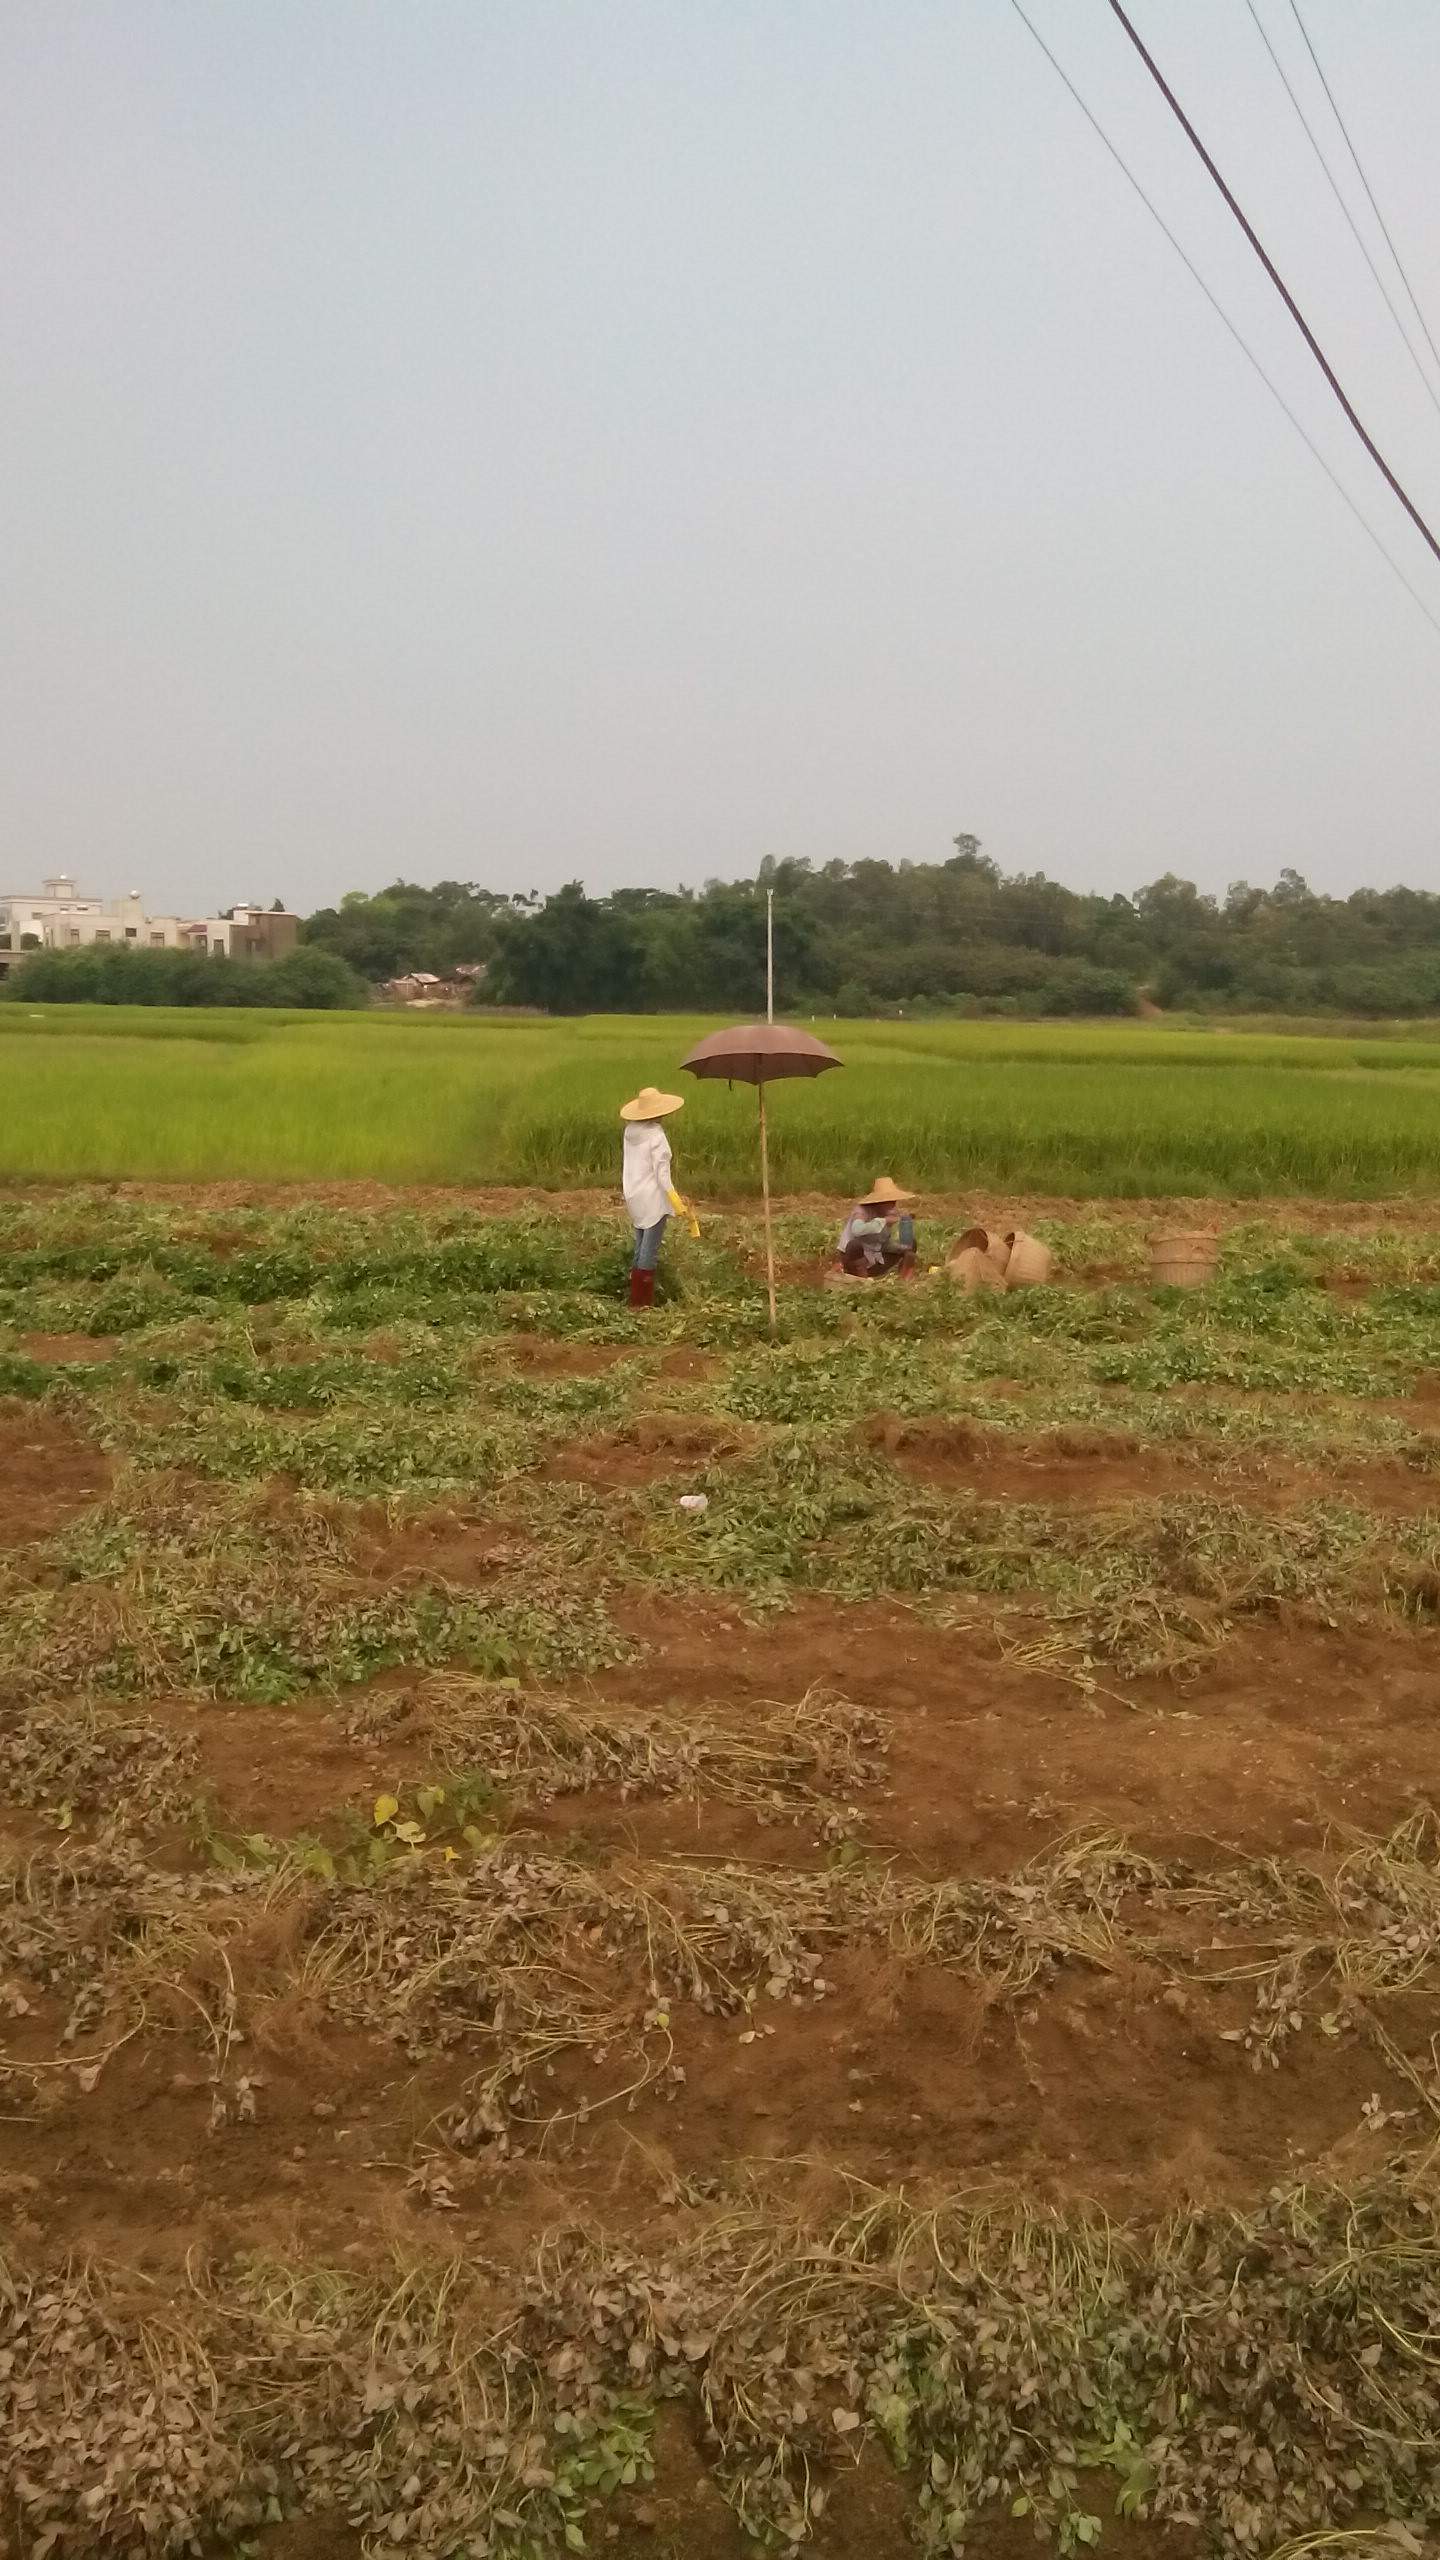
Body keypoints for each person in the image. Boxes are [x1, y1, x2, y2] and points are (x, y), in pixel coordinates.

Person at [619, 1085, 699, 1308]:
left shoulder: (630, 1132)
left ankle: (635, 1300)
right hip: (653, 1198)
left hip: (634, 1195)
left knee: (640, 1245)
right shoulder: (656, 1136)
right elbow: (661, 1174)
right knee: (649, 1250)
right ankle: (642, 1304)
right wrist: (677, 1203)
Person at [835, 1176, 917, 1279]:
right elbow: (857, 1230)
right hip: (854, 1258)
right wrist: (883, 1221)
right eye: (888, 1202)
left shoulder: (890, 1213)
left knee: (910, 1245)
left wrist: (900, 1248)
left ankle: (903, 1277)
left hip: (873, 1259)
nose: (892, 1205)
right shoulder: (861, 1211)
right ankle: (861, 1278)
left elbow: (883, 1244)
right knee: (854, 1245)